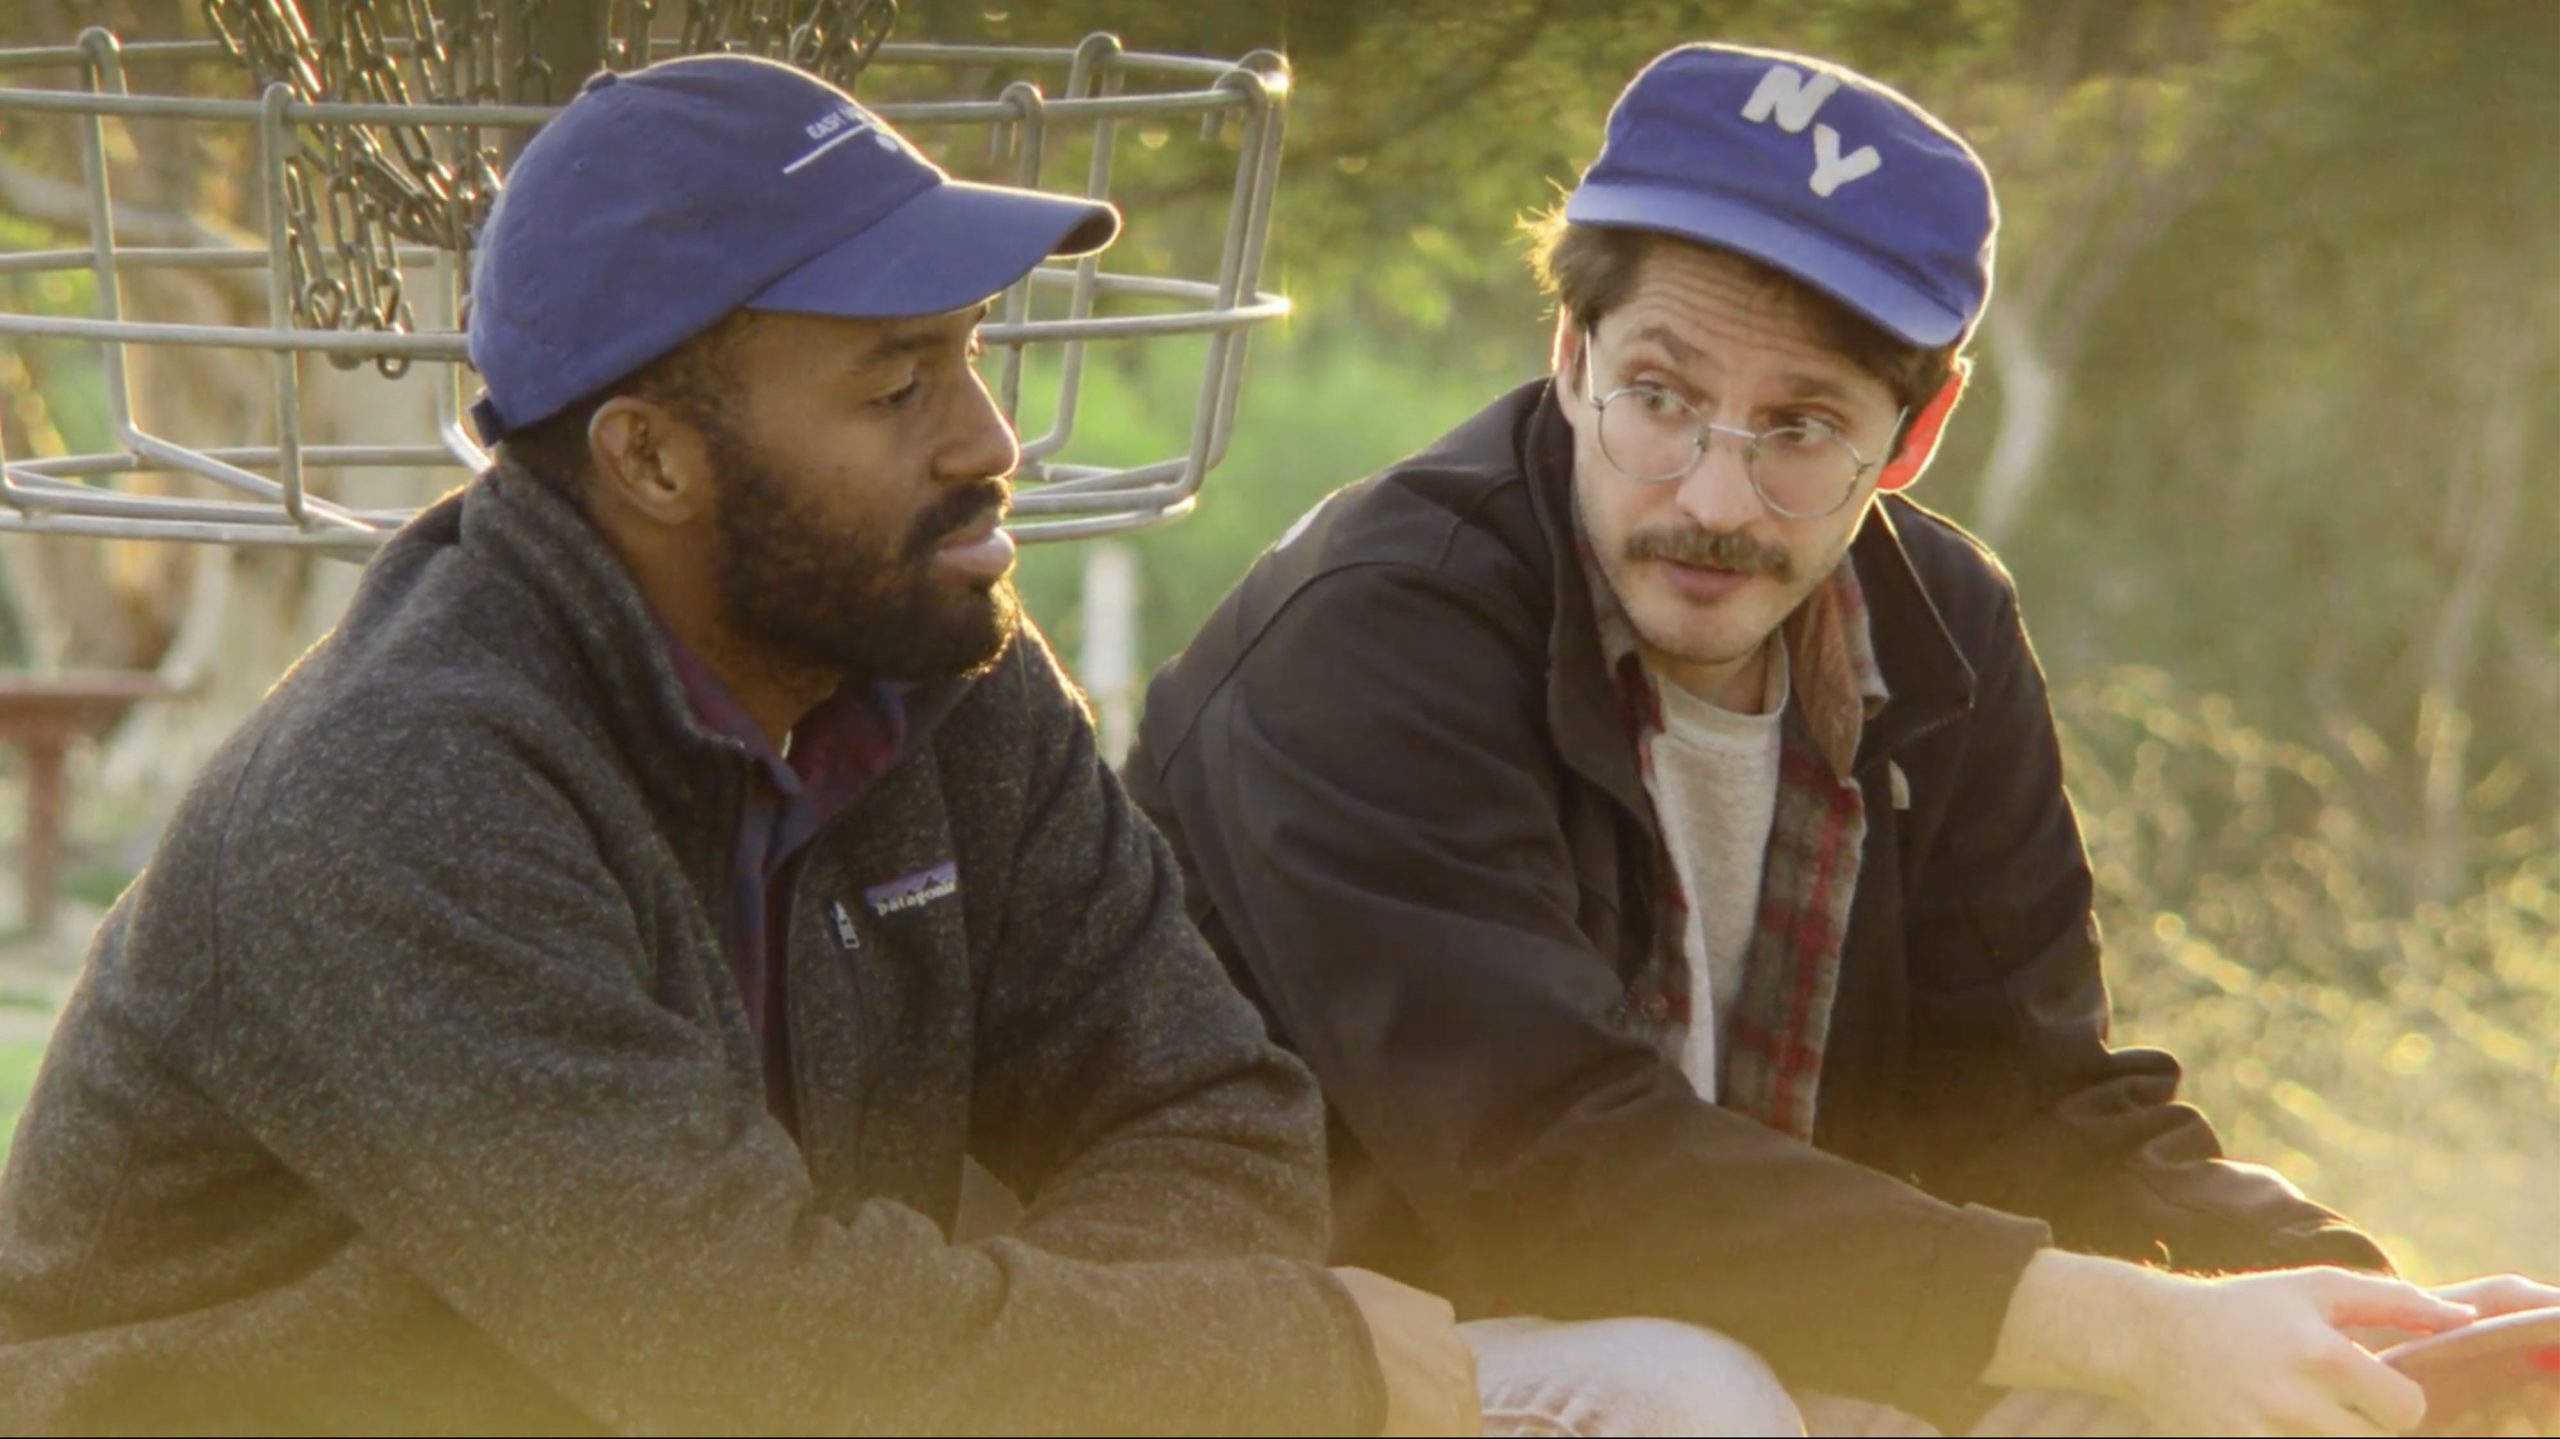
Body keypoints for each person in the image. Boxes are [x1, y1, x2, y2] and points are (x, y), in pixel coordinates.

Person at [0, 55, 1478, 1434]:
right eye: (896, 388)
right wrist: (1275, 1357)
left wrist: (1006, 1372)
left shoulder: (938, 665)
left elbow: (1215, 1111)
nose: (989, 442)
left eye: (970, 355)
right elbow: (737, 1352)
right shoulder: (403, 790)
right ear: (651, 458)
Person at [1124, 41, 2557, 1436]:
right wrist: (2129, 1325)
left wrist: (2390, 1330)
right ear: (1569, 355)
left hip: (1741, 1316)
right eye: (1661, 398)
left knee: (2210, 1403)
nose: (1714, 499)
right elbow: (1549, 1168)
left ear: (1914, 435)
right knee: (1692, 1400)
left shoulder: (1939, 631)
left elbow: (2037, 1106)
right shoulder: (1378, 628)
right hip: (1302, 1350)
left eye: (1801, 427)